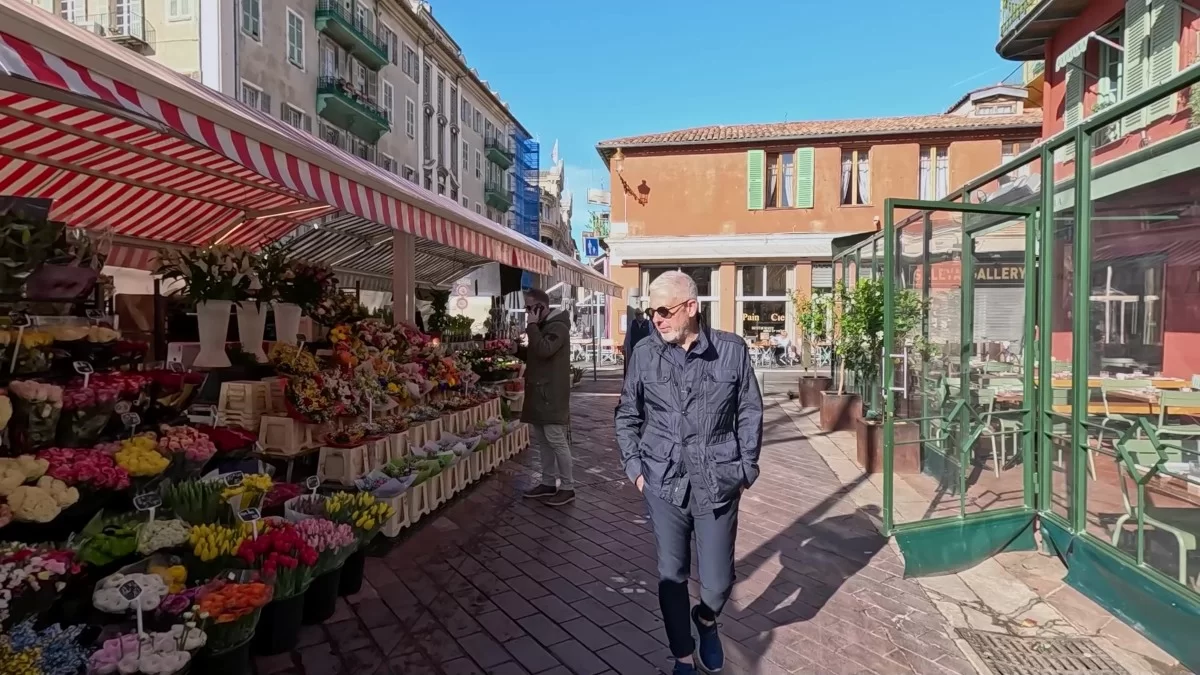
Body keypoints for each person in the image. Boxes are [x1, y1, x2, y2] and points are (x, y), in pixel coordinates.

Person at [615, 271, 763, 675]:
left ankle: (707, 619)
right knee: (671, 575)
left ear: (692, 308)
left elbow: (750, 409)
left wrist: (746, 467)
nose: (656, 319)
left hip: (718, 479)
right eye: (651, 312)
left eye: (664, 310)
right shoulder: (644, 353)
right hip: (662, 480)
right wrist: (635, 469)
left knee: (716, 582)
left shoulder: (732, 351)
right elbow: (628, 414)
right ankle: (682, 656)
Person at [516, 288, 576, 506]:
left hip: (551, 395)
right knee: (543, 442)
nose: (528, 312)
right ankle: (548, 482)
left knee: (557, 441)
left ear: (541, 307)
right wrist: (516, 348)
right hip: (539, 393)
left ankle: (568, 487)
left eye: (530, 308)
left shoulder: (558, 327)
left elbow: (543, 349)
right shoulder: (543, 327)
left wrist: (531, 326)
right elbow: (535, 352)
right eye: (527, 308)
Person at [623, 307, 652, 377]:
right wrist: (625, 346)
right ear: (635, 315)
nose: (640, 316)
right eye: (638, 314)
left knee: (644, 367)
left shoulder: (648, 323)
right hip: (634, 349)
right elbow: (628, 336)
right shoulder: (632, 323)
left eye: (641, 314)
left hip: (645, 349)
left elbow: (652, 336)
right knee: (634, 366)